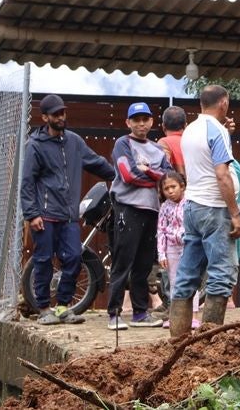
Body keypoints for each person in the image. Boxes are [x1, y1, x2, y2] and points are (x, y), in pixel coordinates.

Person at [20, 94, 116, 326]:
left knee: (73, 257)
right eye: (56, 114)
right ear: (45, 117)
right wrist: (32, 214)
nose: (61, 117)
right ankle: (44, 309)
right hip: (44, 215)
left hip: (69, 215)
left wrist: (120, 175)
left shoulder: (74, 141)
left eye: (63, 112)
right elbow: (28, 183)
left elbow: (95, 162)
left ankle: (63, 307)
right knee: (44, 260)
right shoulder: (35, 145)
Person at [168, 85, 240, 338]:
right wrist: (235, 214)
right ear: (224, 103)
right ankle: (209, 342)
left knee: (187, 273)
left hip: (192, 207)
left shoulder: (190, 129)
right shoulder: (216, 131)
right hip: (214, 208)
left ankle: (177, 341)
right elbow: (222, 175)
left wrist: (225, 131)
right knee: (221, 275)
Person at [106, 101, 173, 330]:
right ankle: (114, 314)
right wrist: (155, 178)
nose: (141, 124)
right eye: (136, 120)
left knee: (144, 265)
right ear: (128, 122)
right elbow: (128, 175)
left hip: (152, 210)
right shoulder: (122, 144)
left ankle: (140, 313)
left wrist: (150, 172)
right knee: (122, 262)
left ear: (152, 122)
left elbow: (169, 178)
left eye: (145, 119)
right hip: (127, 208)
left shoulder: (157, 149)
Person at [156, 171, 199, 329]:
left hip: (189, 246)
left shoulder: (190, 202)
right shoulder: (164, 207)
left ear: (182, 186)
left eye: (173, 187)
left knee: (190, 279)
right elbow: (161, 230)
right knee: (174, 282)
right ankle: (176, 317)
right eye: (166, 189)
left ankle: (194, 316)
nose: (170, 191)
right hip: (171, 248)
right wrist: (161, 253)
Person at [158, 105, 187, 178]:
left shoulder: (163, 143)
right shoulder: (193, 142)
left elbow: (162, 169)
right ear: (185, 126)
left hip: (175, 184)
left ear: (163, 126)